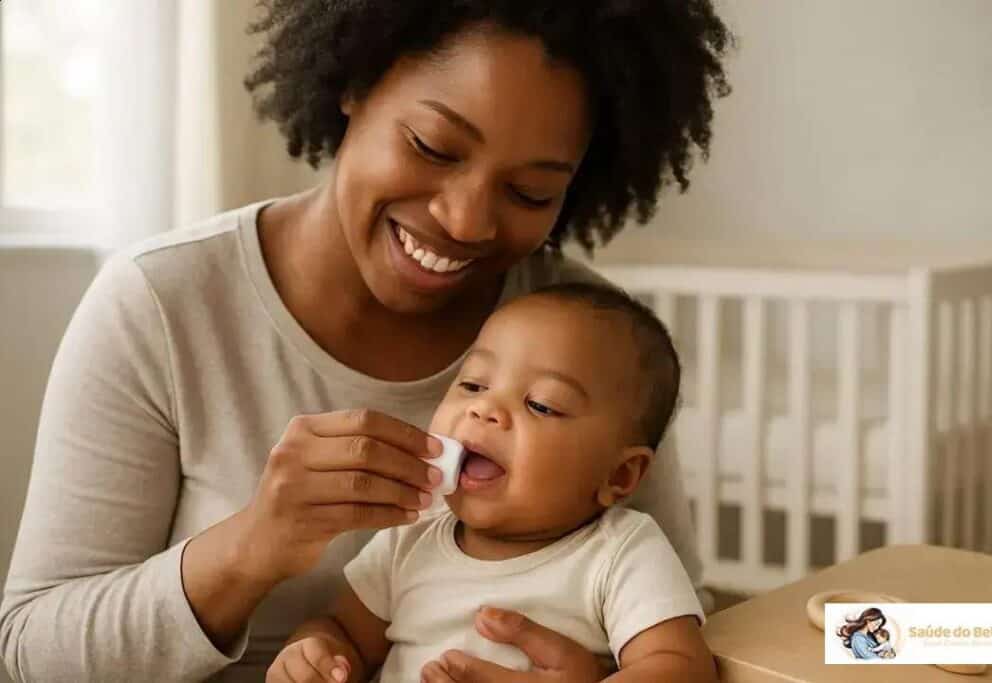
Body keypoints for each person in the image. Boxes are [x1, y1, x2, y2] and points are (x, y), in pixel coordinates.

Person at [0, 2, 732, 681]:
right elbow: (30, 654)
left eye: (529, 193)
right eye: (433, 146)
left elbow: (687, 635)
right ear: (355, 83)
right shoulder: (161, 302)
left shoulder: (594, 342)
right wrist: (250, 546)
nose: (466, 220)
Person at [267, 283, 716, 683]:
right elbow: (343, 631)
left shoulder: (620, 553)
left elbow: (680, 667)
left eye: (541, 405)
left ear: (618, 475)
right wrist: (317, 656)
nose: (484, 410)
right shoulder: (410, 537)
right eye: (473, 385)